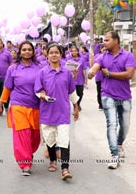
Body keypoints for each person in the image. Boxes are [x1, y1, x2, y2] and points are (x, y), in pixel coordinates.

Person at [88, 31, 136, 169]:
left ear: (116, 41)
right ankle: (114, 155)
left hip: (125, 97)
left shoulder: (128, 56)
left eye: (107, 40)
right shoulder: (102, 57)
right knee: (111, 125)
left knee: (125, 125)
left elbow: (129, 74)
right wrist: (91, 73)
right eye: (104, 40)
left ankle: (119, 143)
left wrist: (109, 74)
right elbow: (95, 67)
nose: (104, 42)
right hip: (107, 95)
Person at [0, 40, 42, 176]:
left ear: (33, 52)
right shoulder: (13, 69)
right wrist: (0, 105)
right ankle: (25, 163)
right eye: (24, 50)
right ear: (20, 52)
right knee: (22, 135)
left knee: (34, 137)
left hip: (36, 106)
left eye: (29, 49)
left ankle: (28, 153)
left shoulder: (39, 68)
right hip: (18, 106)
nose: (27, 52)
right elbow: (7, 88)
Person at [34, 43, 79, 180]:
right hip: (47, 112)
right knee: (50, 138)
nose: (54, 55)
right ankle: (52, 160)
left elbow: (71, 91)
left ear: (61, 55)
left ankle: (65, 169)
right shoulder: (42, 73)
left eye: (56, 52)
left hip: (63, 111)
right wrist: (41, 95)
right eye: (51, 52)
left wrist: (76, 106)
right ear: (47, 55)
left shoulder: (67, 73)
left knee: (64, 139)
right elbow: (37, 90)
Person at [66, 45, 87, 112]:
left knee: (80, 93)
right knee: (73, 94)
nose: (74, 52)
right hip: (72, 80)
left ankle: (78, 104)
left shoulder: (82, 60)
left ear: (78, 51)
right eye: (72, 51)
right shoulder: (69, 61)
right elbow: (67, 70)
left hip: (80, 80)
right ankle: (76, 106)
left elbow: (84, 70)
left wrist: (86, 80)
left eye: (75, 51)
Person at [94, 46, 106, 110]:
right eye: (103, 50)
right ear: (100, 50)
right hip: (99, 78)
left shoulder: (109, 57)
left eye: (105, 50)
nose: (104, 51)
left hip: (107, 78)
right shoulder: (97, 56)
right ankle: (100, 104)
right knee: (99, 92)